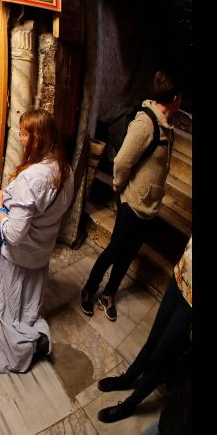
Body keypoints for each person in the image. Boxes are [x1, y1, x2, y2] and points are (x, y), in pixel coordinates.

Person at [0, 110, 74, 373]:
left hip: (17, 257)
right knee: (25, 308)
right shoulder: (65, 169)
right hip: (40, 254)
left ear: (37, 139)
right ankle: (27, 334)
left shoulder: (33, 178)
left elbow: (15, 234)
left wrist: (0, 208)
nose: (20, 137)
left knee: (4, 308)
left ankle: (13, 351)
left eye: (24, 133)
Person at [80, 70, 179, 321]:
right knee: (115, 250)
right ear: (176, 98)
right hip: (132, 201)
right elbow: (123, 160)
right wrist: (118, 183)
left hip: (150, 205)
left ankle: (108, 294)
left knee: (128, 254)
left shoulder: (169, 125)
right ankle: (90, 289)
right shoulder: (146, 123)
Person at [95, 237, 191, 424]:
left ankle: (128, 406)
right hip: (181, 275)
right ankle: (127, 379)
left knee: (161, 358)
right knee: (153, 339)